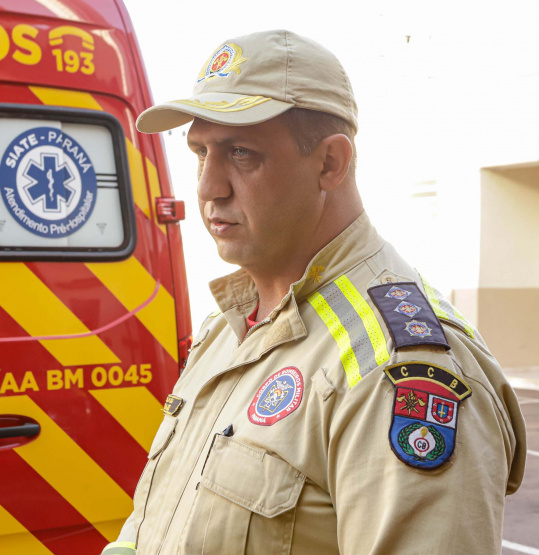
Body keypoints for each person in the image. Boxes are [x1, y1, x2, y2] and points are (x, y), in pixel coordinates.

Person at [101, 29, 527, 555]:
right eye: (199, 153)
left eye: (240, 153)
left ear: (330, 163)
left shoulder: (391, 366)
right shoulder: (232, 326)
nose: (209, 186)